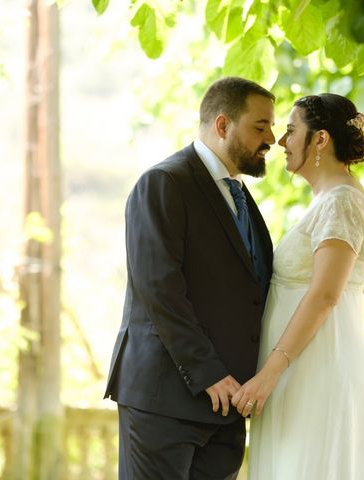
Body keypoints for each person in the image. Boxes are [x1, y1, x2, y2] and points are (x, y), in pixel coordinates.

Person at [104, 76, 275, 479]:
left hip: (226, 407)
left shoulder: (240, 196)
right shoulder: (163, 183)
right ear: (222, 125)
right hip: (165, 397)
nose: (271, 138)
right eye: (260, 126)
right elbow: (159, 290)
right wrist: (209, 372)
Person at [231, 93, 364, 479]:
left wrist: (269, 373)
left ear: (321, 140)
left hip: (314, 367)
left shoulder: (342, 202)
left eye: (291, 131)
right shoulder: (328, 201)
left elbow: (326, 294)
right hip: (300, 367)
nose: (281, 142)